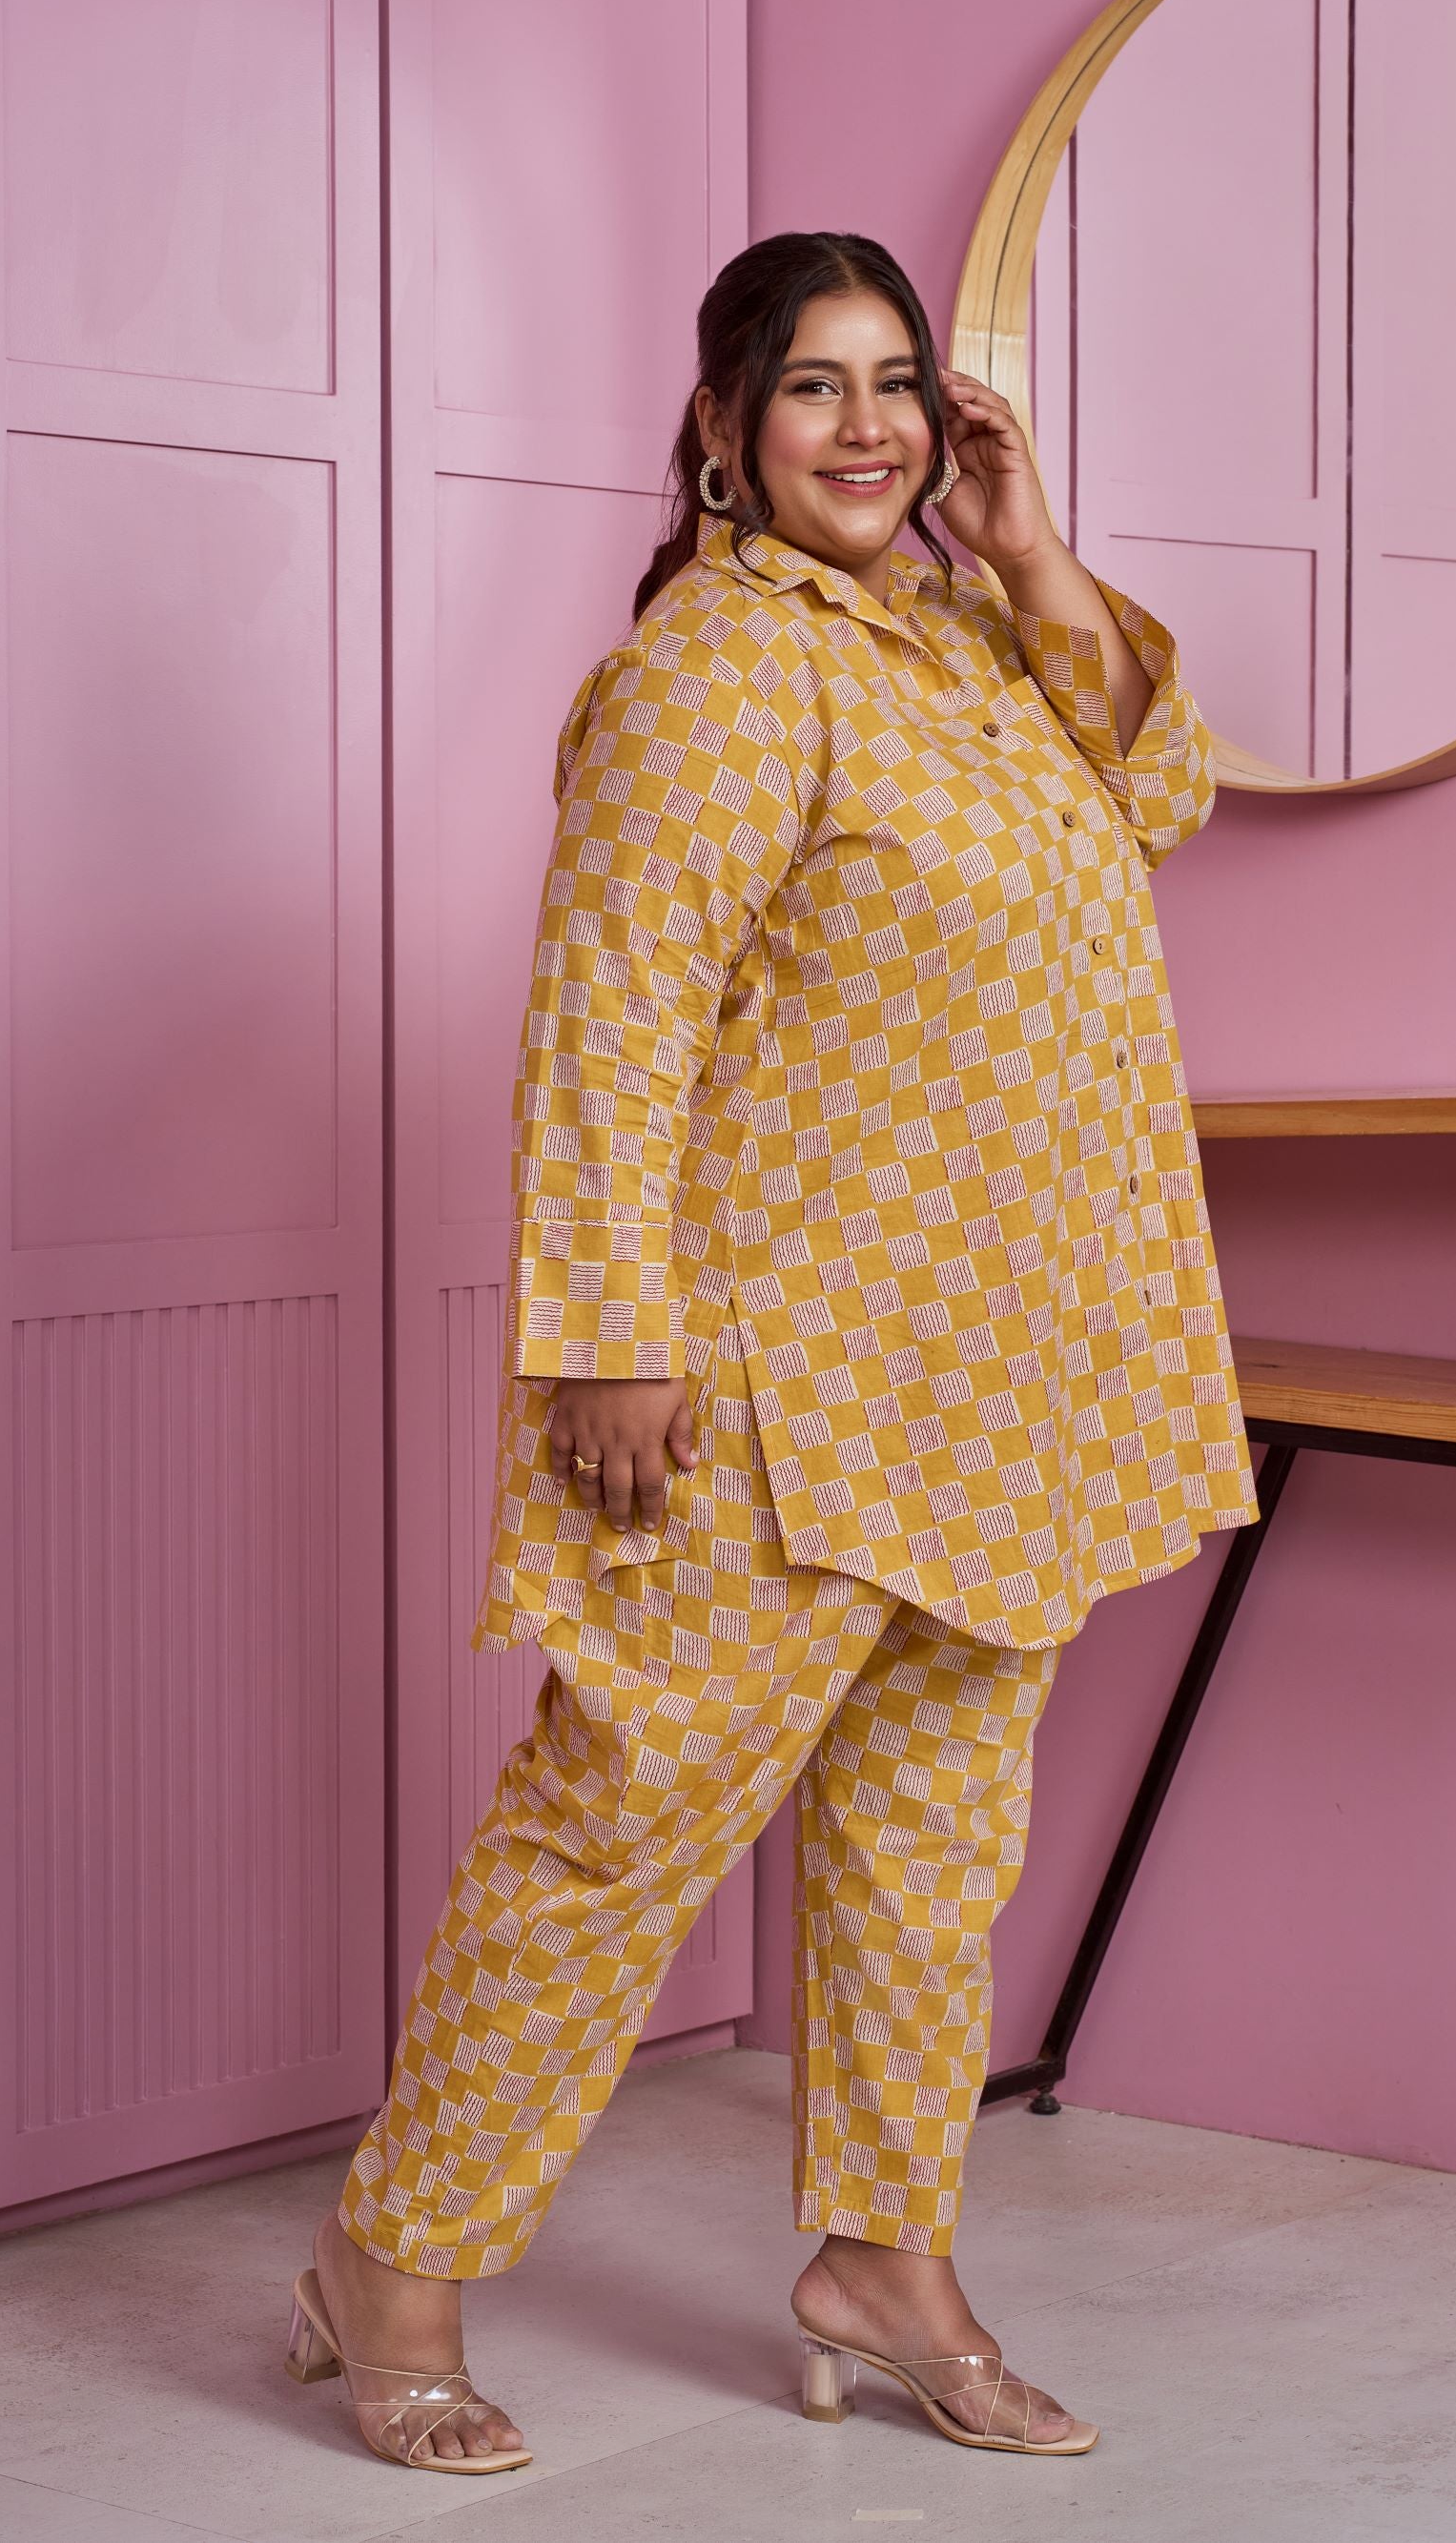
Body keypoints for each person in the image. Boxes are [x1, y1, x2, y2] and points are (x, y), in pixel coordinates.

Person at [284, 232, 1255, 2472]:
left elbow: (1163, 791)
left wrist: (1029, 546)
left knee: (930, 1846)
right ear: (721, 430)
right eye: (810, 384)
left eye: (895, 380)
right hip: (774, 1379)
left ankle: (883, 2260)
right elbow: (607, 1022)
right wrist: (604, 1342)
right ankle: (389, 2261)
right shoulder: (710, 676)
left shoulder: (975, 648)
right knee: (612, 1828)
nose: (865, 426)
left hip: (1002, 1377)